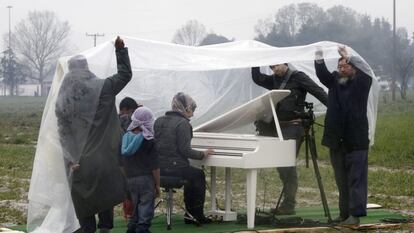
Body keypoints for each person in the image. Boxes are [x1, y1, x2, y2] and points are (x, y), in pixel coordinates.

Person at [55, 36, 132, 233]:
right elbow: (125, 75)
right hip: (104, 156)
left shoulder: (64, 99)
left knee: (84, 200)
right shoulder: (105, 88)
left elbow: (63, 133)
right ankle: (105, 228)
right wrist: (120, 51)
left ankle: (87, 229)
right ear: (87, 68)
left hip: (78, 161)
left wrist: (71, 159)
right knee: (104, 194)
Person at [251, 63, 328, 215]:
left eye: (276, 66)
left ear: (285, 63)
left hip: (294, 127)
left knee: (287, 163)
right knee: (281, 164)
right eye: (272, 68)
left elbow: (318, 92)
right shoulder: (273, 79)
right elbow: (258, 78)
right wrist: (256, 62)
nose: (275, 70)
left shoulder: (298, 77)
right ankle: (288, 202)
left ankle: (289, 203)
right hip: (277, 127)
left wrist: (335, 108)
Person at [314, 46, 372, 226]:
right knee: (341, 180)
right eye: (339, 66)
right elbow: (323, 75)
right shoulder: (335, 82)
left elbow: (367, 72)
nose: (342, 69)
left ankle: (355, 216)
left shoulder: (362, 83)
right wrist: (319, 58)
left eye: (345, 65)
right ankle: (344, 214)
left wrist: (348, 56)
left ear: (353, 68)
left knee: (356, 180)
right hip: (336, 140)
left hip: (356, 141)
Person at [154, 92, 214, 224]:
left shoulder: (158, 121)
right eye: (191, 110)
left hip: (158, 169)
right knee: (198, 175)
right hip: (175, 168)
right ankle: (195, 214)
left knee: (191, 173)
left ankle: (189, 214)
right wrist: (202, 154)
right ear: (185, 108)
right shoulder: (183, 124)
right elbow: (185, 150)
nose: (192, 114)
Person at [121, 106, 160, 233]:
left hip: (130, 178)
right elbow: (155, 167)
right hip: (145, 179)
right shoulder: (149, 140)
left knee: (135, 207)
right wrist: (158, 185)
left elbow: (121, 162)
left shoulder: (126, 137)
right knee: (145, 208)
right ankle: (142, 229)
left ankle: (131, 229)